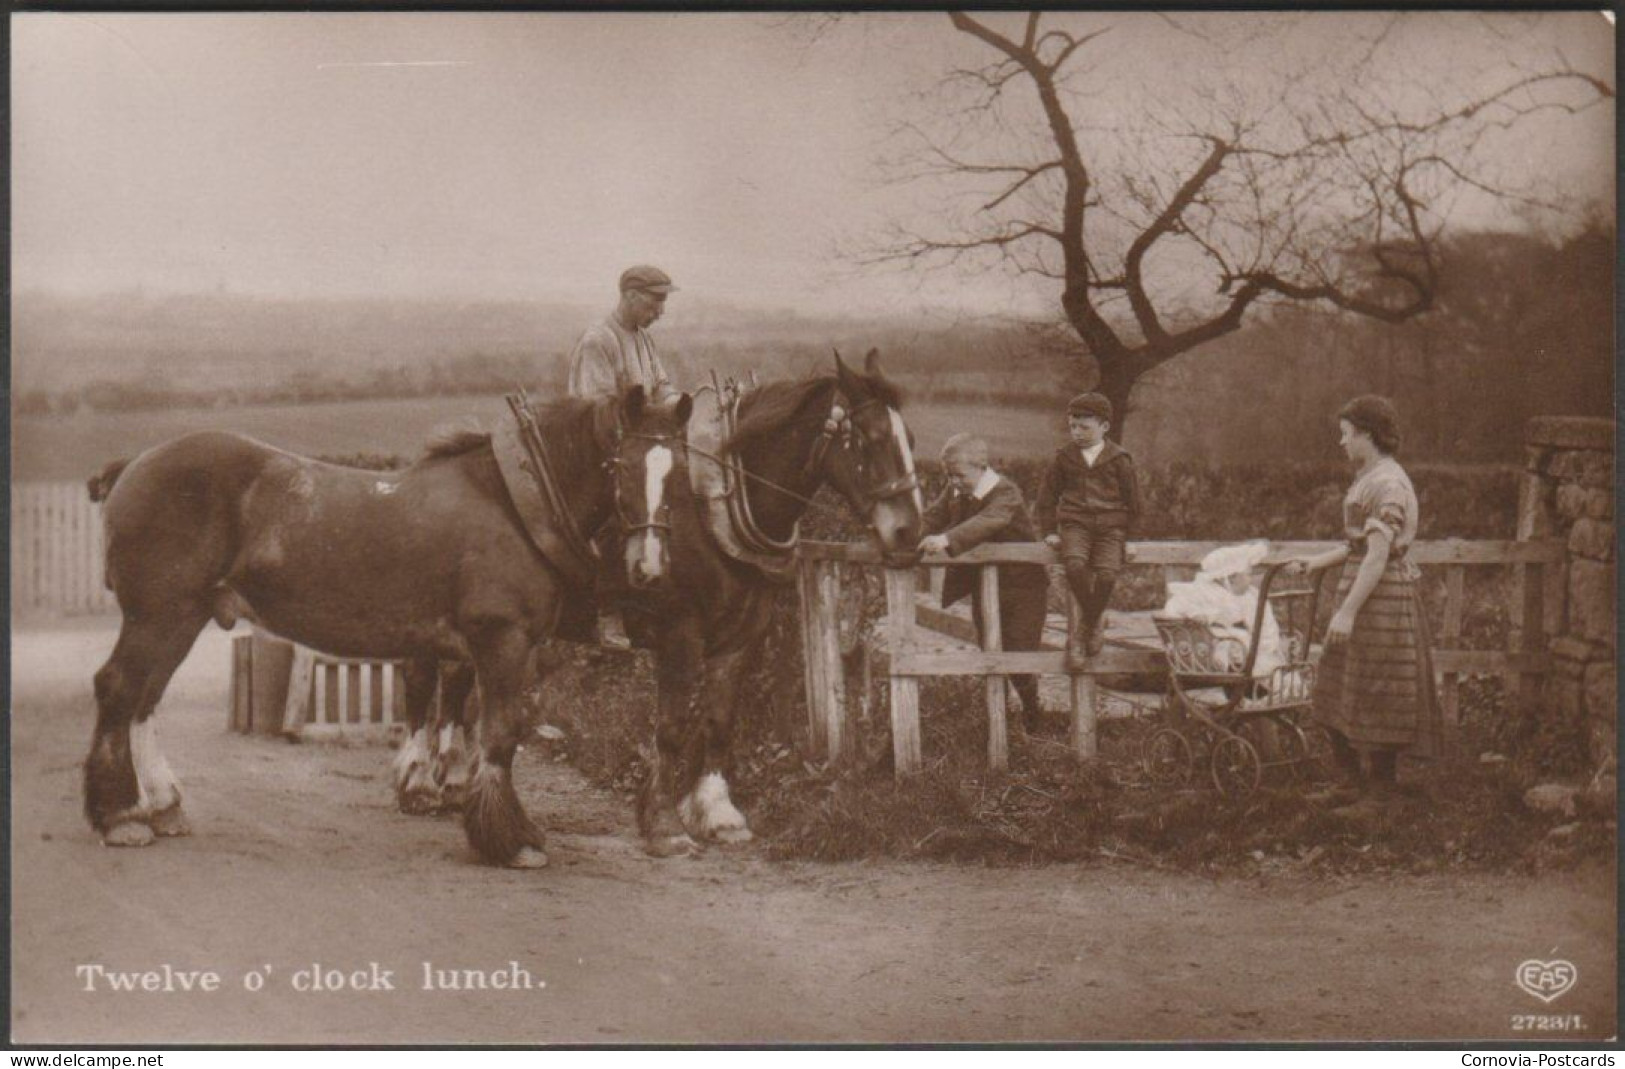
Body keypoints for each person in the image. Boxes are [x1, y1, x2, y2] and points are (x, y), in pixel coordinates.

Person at [1288, 395, 1444, 812]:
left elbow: (1378, 556)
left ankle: (1381, 793)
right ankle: (1349, 783)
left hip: (1383, 601)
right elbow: (1360, 546)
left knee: (1379, 690)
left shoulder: (1388, 482)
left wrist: (1347, 611)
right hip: (1363, 591)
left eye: (1346, 435)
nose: (1341, 443)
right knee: (1339, 684)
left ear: (1367, 435)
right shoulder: (1369, 477)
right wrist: (1319, 562)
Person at [567, 264, 679, 649]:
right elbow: (595, 409)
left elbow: (661, 387)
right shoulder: (599, 340)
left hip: (638, 448)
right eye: (656, 301)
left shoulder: (644, 339)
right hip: (599, 453)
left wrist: (680, 405)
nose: (660, 311)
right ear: (631, 296)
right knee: (616, 516)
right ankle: (608, 611)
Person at [918, 434, 1052, 733]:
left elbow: (989, 521)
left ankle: (1033, 713)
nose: (953, 482)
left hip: (1023, 587)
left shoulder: (1006, 493)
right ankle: (997, 722)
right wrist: (906, 537)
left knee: (1019, 654)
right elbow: (931, 518)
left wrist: (946, 540)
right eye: (948, 475)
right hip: (986, 586)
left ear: (981, 467)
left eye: (959, 475)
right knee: (989, 650)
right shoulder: (954, 490)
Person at [1035, 392, 1140, 671]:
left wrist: (1132, 539)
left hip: (1110, 527)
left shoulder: (1120, 460)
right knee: (1074, 565)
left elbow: (1134, 504)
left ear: (1104, 427)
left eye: (1085, 427)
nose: (1077, 433)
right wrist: (1049, 531)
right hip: (1076, 524)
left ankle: (1086, 626)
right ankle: (1090, 627)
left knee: (1107, 575)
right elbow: (1046, 499)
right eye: (1073, 426)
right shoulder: (1064, 458)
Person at [1162, 540, 1285, 680]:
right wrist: (1198, 615)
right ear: (1231, 578)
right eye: (1248, 575)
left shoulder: (1250, 595)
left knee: (1267, 662)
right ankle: (1267, 684)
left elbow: (1262, 623)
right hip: (1213, 647)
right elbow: (1176, 606)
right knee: (1250, 656)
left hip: (1248, 647)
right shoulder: (1204, 592)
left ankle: (1277, 684)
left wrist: (1268, 644)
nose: (1251, 580)